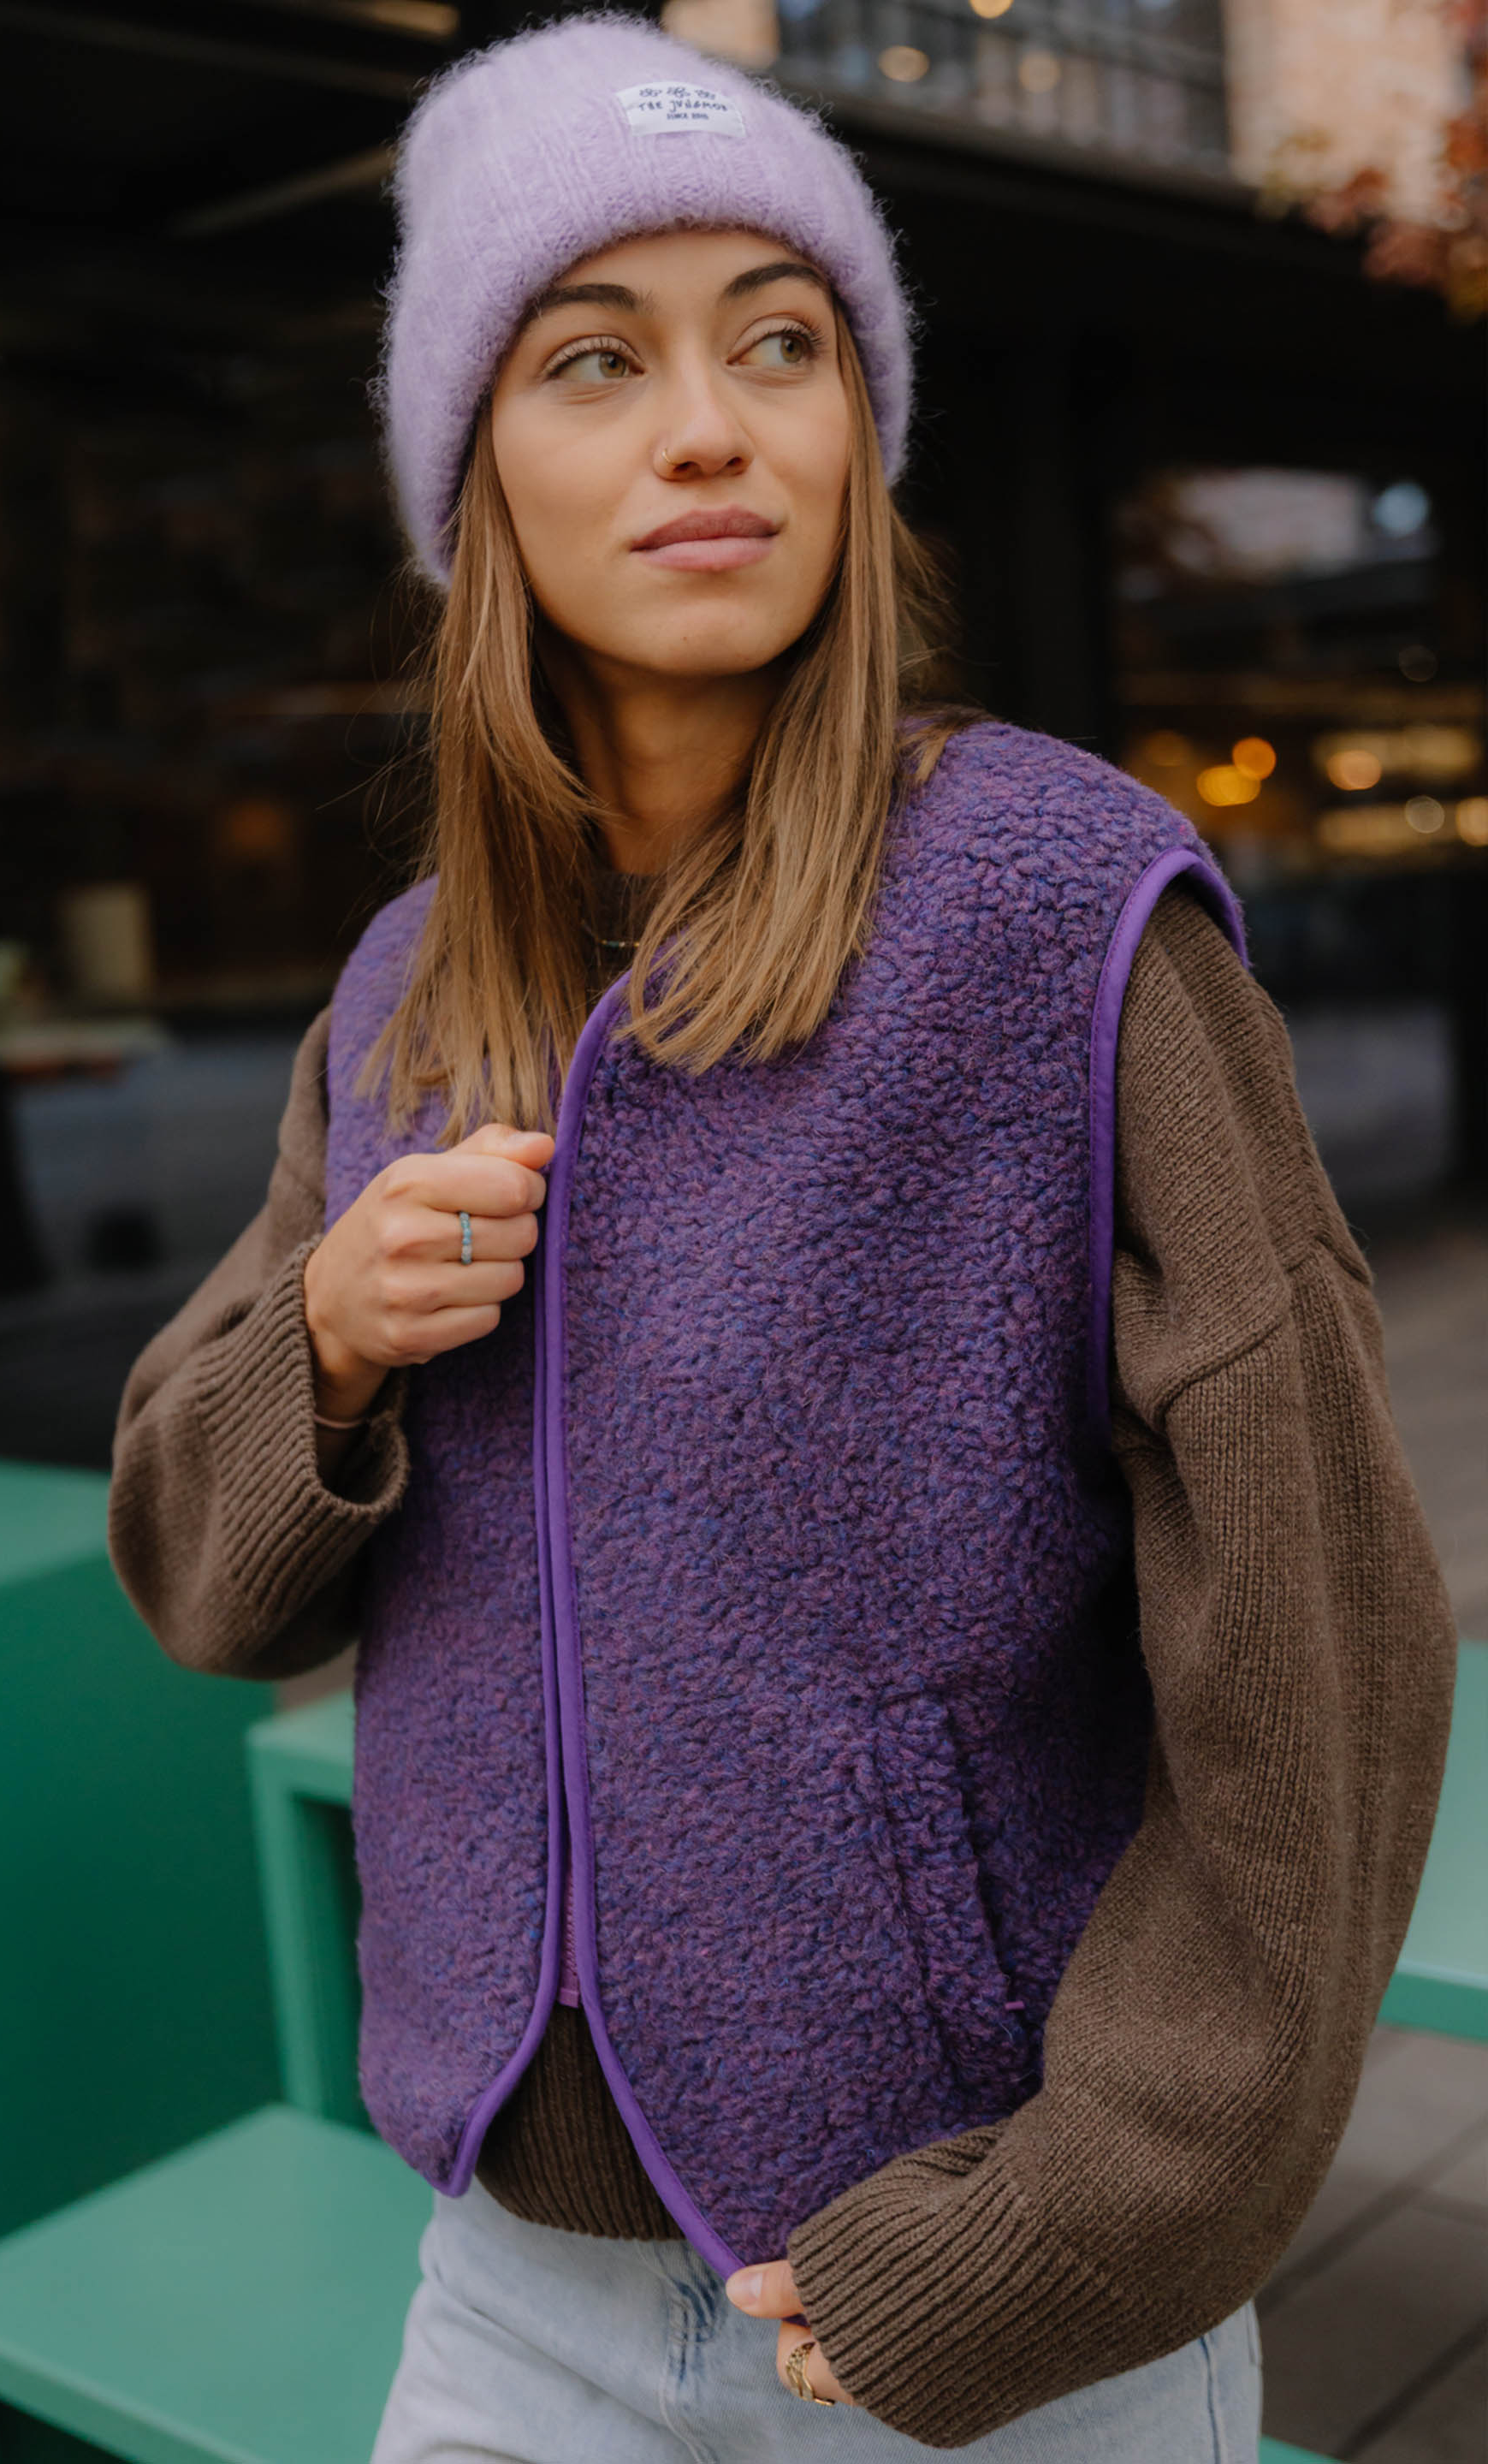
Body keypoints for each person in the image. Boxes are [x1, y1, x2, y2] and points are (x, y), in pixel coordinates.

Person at [110, 19, 1456, 2460]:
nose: (709, 429)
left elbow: (1320, 1647)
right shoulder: (403, 991)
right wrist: (323, 1340)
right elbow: (203, 1581)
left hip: (983, 2313)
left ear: (857, 430)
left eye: (781, 344)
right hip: (506, 2299)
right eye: (596, 360)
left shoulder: (1060, 913)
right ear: (475, 473)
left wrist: (1090, 2219)